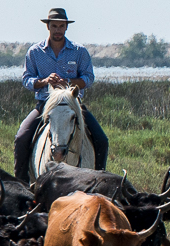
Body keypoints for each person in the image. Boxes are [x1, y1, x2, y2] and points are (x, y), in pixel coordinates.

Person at [14, 8, 108, 183]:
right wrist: (45, 81)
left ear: (66, 27)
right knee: (21, 138)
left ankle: (100, 182)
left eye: (61, 26)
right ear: (48, 27)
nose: (58, 30)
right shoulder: (35, 52)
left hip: (73, 104)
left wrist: (69, 82)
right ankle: (21, 184)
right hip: (45, 104)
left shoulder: (79, 51)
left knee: (101, 139)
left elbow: (89, 77)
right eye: (54, 26)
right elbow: (26, 79)